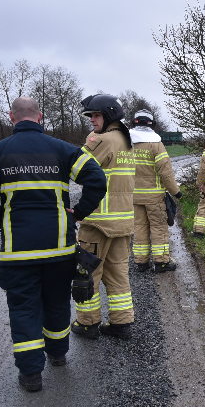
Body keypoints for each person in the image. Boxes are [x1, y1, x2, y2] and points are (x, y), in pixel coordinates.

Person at [0, 96, 106, 392]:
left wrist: (4, 221)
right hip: (59, 250)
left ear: (11, 117)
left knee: (24, 309)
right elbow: (96, 178)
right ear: (40, 116)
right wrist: (77, 213)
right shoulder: (63, 149)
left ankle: (31, 375)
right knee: (56, 302)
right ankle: (57, 355)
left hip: (19, 253)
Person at [71, 94, 136, 340]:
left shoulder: (103, 140)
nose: (92, 121)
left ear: (108, 115)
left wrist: (87, 144)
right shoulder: (125, 140)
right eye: (90, 116)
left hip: (98, 222)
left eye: (95, 116)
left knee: (87, 273)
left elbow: (76, 169)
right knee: (118, 275)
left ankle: (88, 323)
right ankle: (121, 324)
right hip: (122, 223)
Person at [130, 109, 182, 272]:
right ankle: (161, 262)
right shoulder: (156, 145)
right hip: (154, 197)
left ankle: (141, 262)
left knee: (139, 227)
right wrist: (176, 192)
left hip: (133, 196)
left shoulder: (126, 144)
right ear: (152, 124)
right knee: (159, 228)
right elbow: (165, 173)